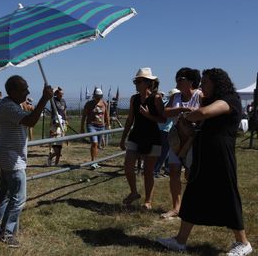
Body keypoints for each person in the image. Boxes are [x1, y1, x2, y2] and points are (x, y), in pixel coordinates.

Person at [157, 68, 253, 256]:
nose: (201, 86)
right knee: (193, 196)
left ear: (217, 83)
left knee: (228, 196)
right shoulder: (211, 99)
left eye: (205, 82)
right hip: (204, 157)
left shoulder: (229, 100)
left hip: (220, 157)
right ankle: (180, 240)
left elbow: (202, 113)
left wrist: (186, 117)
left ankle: (243, 243)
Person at [0, 75, 53, 247]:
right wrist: (44, 98)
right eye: (24, 89)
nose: (27, 91)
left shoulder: (9, 105)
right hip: (13, 160)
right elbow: (31, 121)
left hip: (9, 157)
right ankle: (7, 233)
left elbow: (27, 117)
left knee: (4, 195)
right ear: (12, 91)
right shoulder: (8, 107)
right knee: (18, 198)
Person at [160, 68, 203, 219]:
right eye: (177, 78)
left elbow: (205, 114)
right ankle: (176, 207)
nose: (177, 81)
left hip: (193, 140)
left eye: (181, 78)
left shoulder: (199, 95)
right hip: (177, 139)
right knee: (173, 171)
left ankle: (194, 206)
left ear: (191, 81)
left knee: (191, 174)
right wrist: (182, 109)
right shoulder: (176, 96)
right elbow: (165, 113)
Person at [119, 68, 164, 210]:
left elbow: (163, 119)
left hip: (152, 137)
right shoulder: (134, 99)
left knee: (148, 171)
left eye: (138, 81)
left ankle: (148, 201)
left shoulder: (156, 98)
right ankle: (133, 192)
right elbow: (130, 119)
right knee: (128, 166)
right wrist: (123, 137)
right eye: (135, 81)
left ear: (147, 83)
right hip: (136, 135)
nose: (136, 84)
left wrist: (148, 115)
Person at [80, 88, 110, 169]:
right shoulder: (89, 104)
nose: (98, 98)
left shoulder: (104, 103)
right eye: (97, 96)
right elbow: (84, 116)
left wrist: (108, 124)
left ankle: (95, 161)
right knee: (94, 143)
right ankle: (93, 161)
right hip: (91, 125)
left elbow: (106, 115)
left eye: (100, 96)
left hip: (101, 126)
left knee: (98, 145)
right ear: (94, 96)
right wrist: (82, 127)